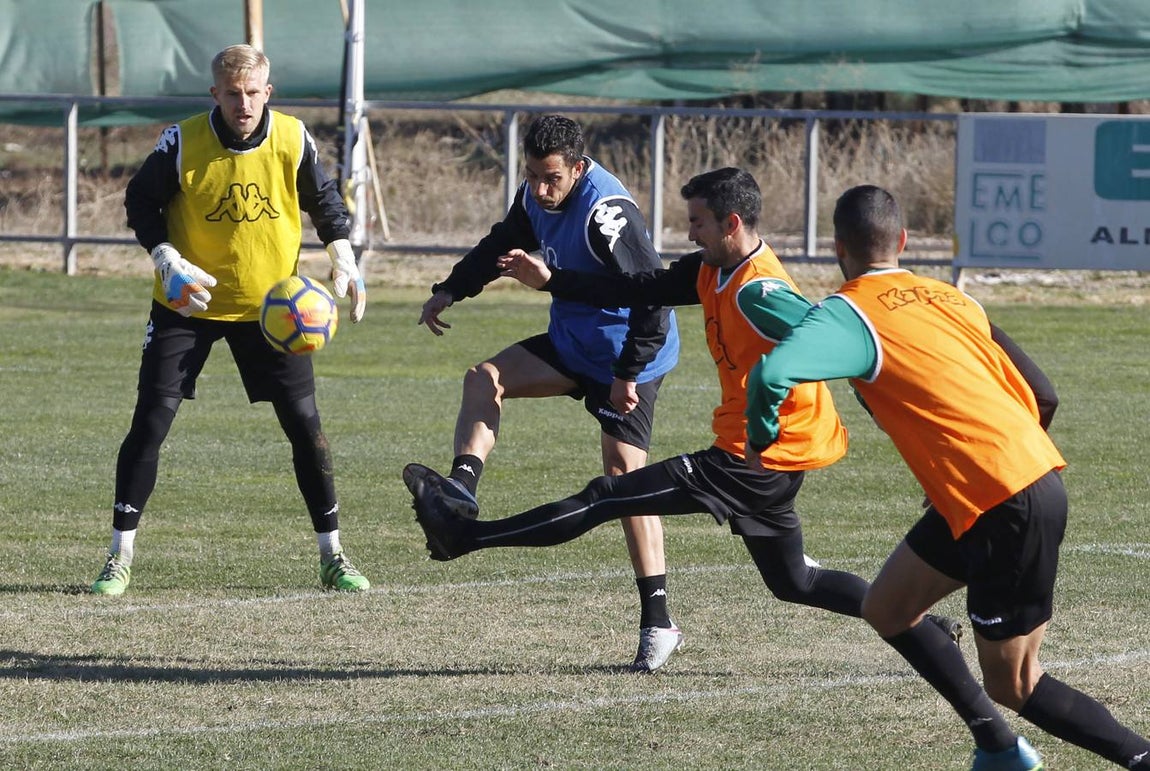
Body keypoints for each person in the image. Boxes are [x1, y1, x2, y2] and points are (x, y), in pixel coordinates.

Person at [403, 167, 961, 671]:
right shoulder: (712, 269)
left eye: (697, 223)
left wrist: (924, 451)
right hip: (771, 458)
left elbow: (846, 349)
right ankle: (924, 626)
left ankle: (465, 537)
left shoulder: (760, 292)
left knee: (606, 496)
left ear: (731, 223)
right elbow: (634, 287)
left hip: (753, 456)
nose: (689, 233)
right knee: (795, 581)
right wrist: (553, 282)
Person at [743, 184, 1150, 769]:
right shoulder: (953, 298)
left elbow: (771, 374)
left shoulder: (848, 312)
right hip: (1002, 489)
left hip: (1003, 504)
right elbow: (1044, 394)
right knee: (887, 607)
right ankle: (998, 747)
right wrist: (990, 462)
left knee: (1015, 682)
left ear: (837, 248)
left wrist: (760, 441)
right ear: (904, 241)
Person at [91, 44, 371, 596]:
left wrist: (342, 253)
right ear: (215, 94)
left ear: (268, 92)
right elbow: (140, 201)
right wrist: (165, 258)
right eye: (232, 94)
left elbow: (323, 199)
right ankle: (118, 556)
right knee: (150, 422)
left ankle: (333, 554)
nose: (243, 104)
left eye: (253, 93)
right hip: (187, 302)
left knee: (305, 426)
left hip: (274, 311)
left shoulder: (293, 137)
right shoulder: (182, 141)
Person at [412, 114, 683, 672]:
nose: (539, 189)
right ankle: (462, 490)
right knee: (483, 378)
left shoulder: (607, 213)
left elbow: (653, 299)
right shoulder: (534, 193)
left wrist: (628, 372)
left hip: (626, 354)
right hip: (571, 344)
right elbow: (502, 242)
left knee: (624, 479)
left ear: (578, 168)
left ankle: (658, 621)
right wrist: (450, 289)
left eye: (551, 178)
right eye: (532, 175)